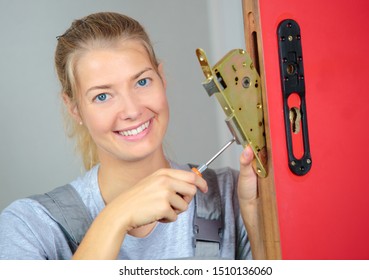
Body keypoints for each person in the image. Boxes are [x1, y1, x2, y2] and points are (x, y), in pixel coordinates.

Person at [0, 12, 261, 260]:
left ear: (162, 78)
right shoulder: (29, 226)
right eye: (102, 96)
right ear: (74, 108)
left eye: (142, 82)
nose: (132, 110)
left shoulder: (232, 196)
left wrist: (258, 222)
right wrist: (116, 217)